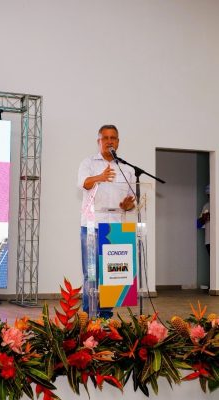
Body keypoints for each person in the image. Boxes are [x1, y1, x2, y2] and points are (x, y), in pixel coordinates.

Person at [78, 124, 135, 318]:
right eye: (106, 138)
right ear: (99, 141)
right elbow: (84, 183)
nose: (110, 141)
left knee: (111, 274)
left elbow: (131, 201)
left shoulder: (127, 169)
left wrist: (128, 205)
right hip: (92, 225)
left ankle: (105, 316)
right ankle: (89, 316)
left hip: (116, 227)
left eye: (113, 138)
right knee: (92, 273)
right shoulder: (88, 163)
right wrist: (100, 177)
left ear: (118, 142)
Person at [197, 185, 210, 255]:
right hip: (209, 242)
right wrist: (203, 218)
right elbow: (197, 225)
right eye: (208, 195)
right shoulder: (206, 206)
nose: (209, 196)